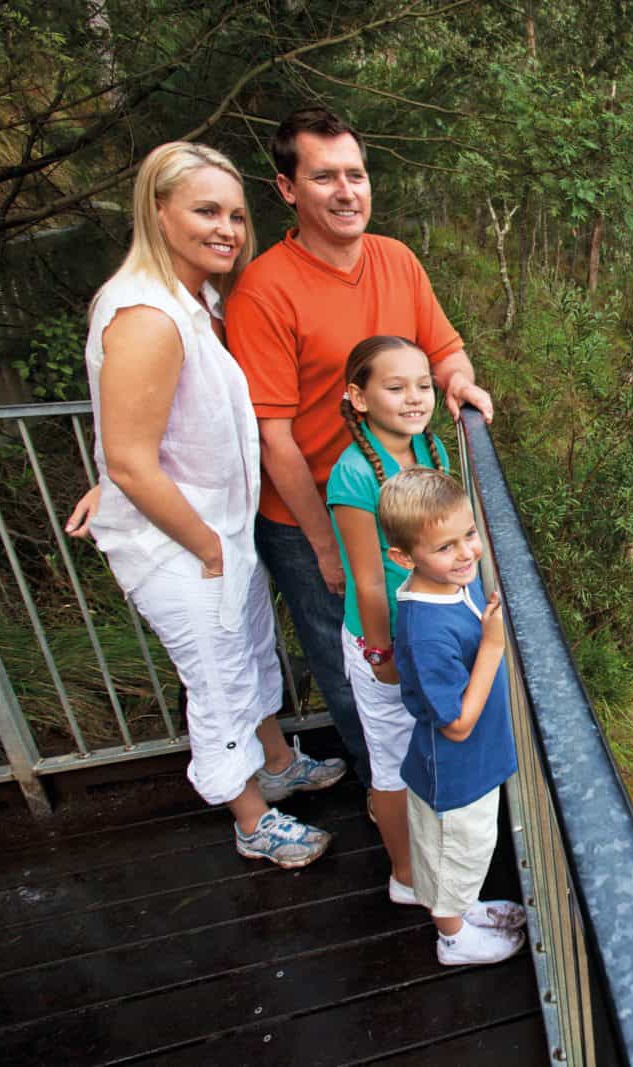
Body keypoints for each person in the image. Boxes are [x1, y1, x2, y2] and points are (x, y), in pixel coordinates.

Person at [81, 141, 346, 867]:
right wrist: (200, 541)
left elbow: (139, 433)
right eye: (206, 211)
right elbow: (136, 458)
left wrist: (117, 471)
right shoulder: (146, 316)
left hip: (215, 530)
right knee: (218, 678)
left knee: (249, 655)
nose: (228, 228)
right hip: (180, 543)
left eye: (234, 213)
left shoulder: (191, 300)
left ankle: (276, 762)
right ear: (157, 211)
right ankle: (252, 818)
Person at [226, 107, 494, 797]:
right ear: (288, 189)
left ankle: (438, 780)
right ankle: (392, 803)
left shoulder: (396, 260)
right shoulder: (264, 289)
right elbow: (273, 434)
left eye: (356, 174)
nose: (347, 192)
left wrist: (459, 381)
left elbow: (443, 348)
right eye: (324, 177)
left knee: (424, 639)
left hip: (408, 503)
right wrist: (322, 545)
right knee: (353, 661)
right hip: (314, 512)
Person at [378, 468, 526, 965]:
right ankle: (452, 938)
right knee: (451, 857)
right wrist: (491, 646)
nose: (465, 553)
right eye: (446, 547)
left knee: (463, 855)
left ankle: (465, 911)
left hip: (471, 767)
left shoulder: (445, 586)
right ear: (403, 559)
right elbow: (456, 723)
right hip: (454, 773)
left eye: (468, 535)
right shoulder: (426, 629)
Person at [328, 335, 453, 904]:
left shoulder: (431, 450)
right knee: (392, 762)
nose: (414, 398)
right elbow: (368, 578)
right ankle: (406, 877)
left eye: (423, 386)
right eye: (395, 387)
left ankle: (433, 861)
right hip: (386, 640)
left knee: (422, 748)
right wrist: (381, 654)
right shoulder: (353, 475)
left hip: (427, 629)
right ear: (358, 397)